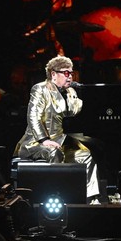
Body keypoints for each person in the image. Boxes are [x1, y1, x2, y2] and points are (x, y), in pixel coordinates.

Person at [15, 55, 102, 203]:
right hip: (36, 142)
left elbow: (75, 113)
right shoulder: (40, 89)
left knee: (85, 154)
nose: (70, 77)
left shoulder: (70, 92)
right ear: (53, 74)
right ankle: (58, 196)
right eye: (66, 73)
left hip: (60, 140)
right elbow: (33, 116)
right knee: (54, 153)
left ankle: (91, 198)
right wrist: (44, 140)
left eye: (71, 73)